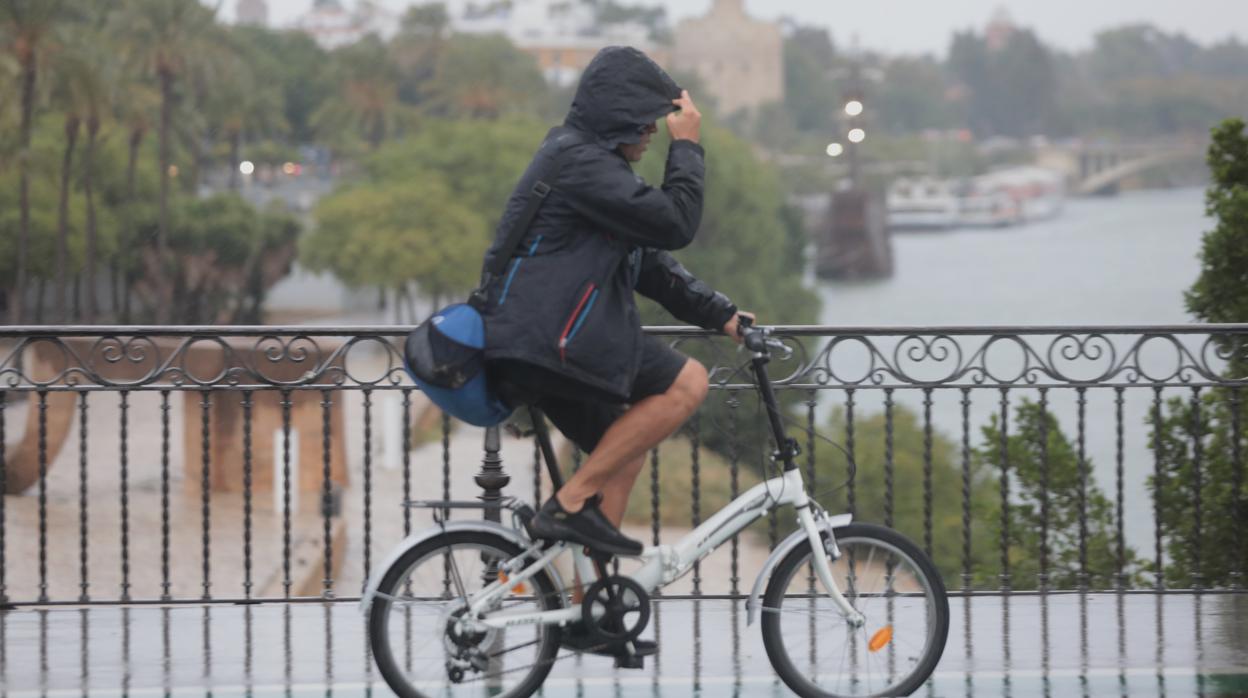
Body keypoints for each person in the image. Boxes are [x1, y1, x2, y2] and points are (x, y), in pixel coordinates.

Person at [481, 46, 752, 565]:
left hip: (538, 338)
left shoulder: (591, 165)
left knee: (618, 453)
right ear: (619, 118)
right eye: (647, 123)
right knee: (689, 381)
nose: (652, 133)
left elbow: (648, 263)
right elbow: (675, 225)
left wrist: (722, 315)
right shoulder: (580, 163)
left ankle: (590, 606)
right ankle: (565, 507)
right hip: (546, 339)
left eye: (659, 125)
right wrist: (688, 148)